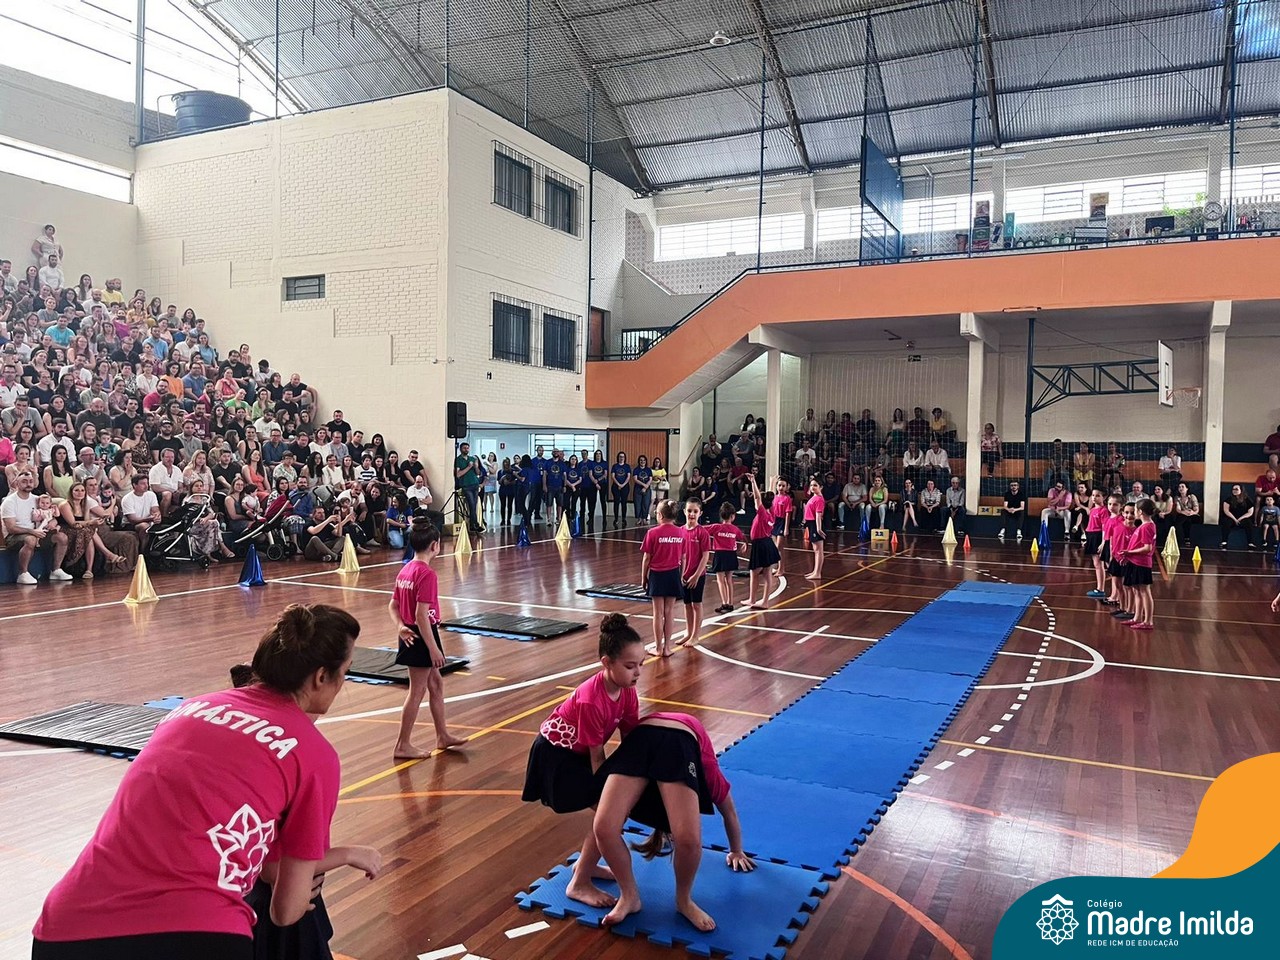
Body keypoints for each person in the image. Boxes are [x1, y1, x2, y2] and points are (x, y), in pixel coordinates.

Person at [32, 604, 381, 958]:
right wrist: (345, 855)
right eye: (345, 672)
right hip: (190, 932)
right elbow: (286, 911)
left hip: (66, 926)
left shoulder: (188, 709)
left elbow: (261, 860)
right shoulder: (313, 755)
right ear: (321, 677)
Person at [521, 613, 643, 908]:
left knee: (611, 814)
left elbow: (631, 742)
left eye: (641, 664)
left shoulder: (627, 693)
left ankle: (584, 865)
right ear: (607, 663)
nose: (637, 672)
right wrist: (612, 795)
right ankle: (579, 883)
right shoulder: (591, 699)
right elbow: (597, 756)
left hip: (578, 754)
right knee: (609, 815)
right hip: (557, 755)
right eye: (630, 666)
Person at [593, 713, 754, 931]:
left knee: (688, 840)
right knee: (604, 828)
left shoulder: (701, 770)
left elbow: (727, 814)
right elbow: (729, 812)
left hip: (678, 740)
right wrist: (735, 850)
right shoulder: (704, 771)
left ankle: (683, 900)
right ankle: (629, 896)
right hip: (643, 735)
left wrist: (737, 851)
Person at [388, 521, 466, 759]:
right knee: (417, 691)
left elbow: (393, 605)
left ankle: (442, 735)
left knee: (436, 685)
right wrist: (433, 649)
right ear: (435, 545)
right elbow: (421, 615)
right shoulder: (426, 574)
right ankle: (402, 744)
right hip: (421, 635)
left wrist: (400, 626)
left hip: (413, 632)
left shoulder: (406, 570)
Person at [3, 470, 72, 583]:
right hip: (14, 536)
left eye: (30, 481)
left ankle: (56, 570)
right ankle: (23, 573)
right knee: (31, 539)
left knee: (62, 537)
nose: (28, 484)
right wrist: (32, 531)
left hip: (38, 533)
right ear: (17, 483)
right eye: (24, 481)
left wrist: (53, 522)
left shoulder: (37, 499)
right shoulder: (9, 501)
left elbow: (49, 515)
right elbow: (11, 528)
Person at [641, 500, 685, 658]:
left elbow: (647, 558)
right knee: (669, 611)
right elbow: (683, 557)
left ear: (660, 515)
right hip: (673, 574)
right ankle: (667, 648)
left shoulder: (652, 533)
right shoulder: (681, 532)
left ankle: (658, 648)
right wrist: (681, 575)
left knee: (658, 613)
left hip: (657, 575)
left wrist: (643, 577)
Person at [674, 498, 711, 650]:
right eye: (689, 511)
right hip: (684, 575)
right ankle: (688, 633)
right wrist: (680, 574)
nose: (692, 514)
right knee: (687, 604)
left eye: (695, 511)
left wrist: (696, 575)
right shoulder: (679, 531)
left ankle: (696, 636)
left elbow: (705, 556)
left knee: (696, 604)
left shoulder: (702, 533)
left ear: (700, 513)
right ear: (684, 512)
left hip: (697, 575)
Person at [1119, 499, 1156, 631]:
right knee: (1137, 591)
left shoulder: (1147, 527)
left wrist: (1129, 552)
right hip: (1135, 561)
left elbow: (1147, 548)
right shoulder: (1145, 525)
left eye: (1135, 510)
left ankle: (1148, 621)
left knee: (1144, 591)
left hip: (1142, 563)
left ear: (1140, 512)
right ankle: (1137, 617)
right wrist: (1128, 556)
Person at [745, 473, 780, 609]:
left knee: (754, 573)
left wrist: (753, 482)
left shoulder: (762, 514)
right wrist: (772, 483)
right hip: (768, 543)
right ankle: (764, 601)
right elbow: (770, 497)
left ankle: (752, 599)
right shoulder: (772, 512)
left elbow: (757, 497)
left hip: (760, 545)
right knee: (767, 573)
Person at [708, 501, 746, 614]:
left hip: (720, 555)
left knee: (720, 580)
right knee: (729, 580)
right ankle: (730, 603)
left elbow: (702, 529)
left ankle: (724, 603)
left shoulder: (716, 527)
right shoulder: (735, 529)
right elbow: (743, 537)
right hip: (731, 555)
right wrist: (745, 544)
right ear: (732, 516)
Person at [1105, 501, 1136, 620]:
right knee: (1118, 585)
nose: (1129, 515)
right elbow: (1113, 541)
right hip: (1116, 559)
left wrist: (1127, 557)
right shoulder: (1117, 526)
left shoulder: (1136, 530)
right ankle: (1122, 607)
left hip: (1128, 561)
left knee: (1128, 586)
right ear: (1122, 513)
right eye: (1127, 512)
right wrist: (1112, 556)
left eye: (1132, 513)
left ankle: (1130, 610)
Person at [1082, 490, 1109, 600]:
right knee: (1096, 564)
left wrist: (1103, 542)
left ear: (1104, 497)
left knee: (1100, 564)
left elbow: (1104, 527)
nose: (1094, 497)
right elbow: (1090, 525)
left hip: (1098, 536)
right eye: (1093, 495)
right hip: (1092, 536)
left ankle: (1101, 588)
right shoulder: (1092, 510)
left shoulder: (1104, 511)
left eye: (1097, 495)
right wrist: (1087, 539)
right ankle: (1099, 588)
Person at [453, 441, 483, 535]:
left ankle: (473, 525)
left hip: (475, 483)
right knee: (471, 505)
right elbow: (458, 474)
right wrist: (469, 467)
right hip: (466, 485)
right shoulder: (458, 460)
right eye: (464, 448)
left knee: (474, 505)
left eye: (467, 448)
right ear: (460, 449)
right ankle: (475, 525)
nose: (466, 450)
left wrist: (476, 467)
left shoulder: (472, 459)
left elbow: (478, 473)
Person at [803, 477, 826, 581]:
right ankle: (815, 571)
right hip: (811, 524)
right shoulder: (814, 497)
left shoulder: (819, 499)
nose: (812, 487)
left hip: (815, 524)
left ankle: (817, 573)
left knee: (818, 550)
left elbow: (818, 515)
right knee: (815, 550)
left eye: (815, 485)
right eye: (811, 485)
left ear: (821, 487)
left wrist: (819, 529)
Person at [1220, 484, 1255, 549]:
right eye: (1233, 489)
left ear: (1241, 490)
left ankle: (1250, 543)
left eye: (1236, 489)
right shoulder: (1228, 499)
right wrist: (1235, 519)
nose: (1234, 491)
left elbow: (1250, 512)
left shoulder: (1247, 500)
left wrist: (1240, 518)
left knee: (1249, 523)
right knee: (1226, 522)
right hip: (1231, 517)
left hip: (1243, 518)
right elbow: (1226, 510)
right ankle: (1224, 542)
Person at [771, 478, 793, 576]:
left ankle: (781, 568)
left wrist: (786, 528)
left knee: (779, 546)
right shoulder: (774, 497)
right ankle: (777, 567)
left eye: (783, 486)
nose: (781, 488)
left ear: (787, 487)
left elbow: (788, 514)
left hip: (782, 522)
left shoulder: (787, 498)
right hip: (774, 522)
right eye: (779, 485)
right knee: (775, 547)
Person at [1171, 482, 1200, 548]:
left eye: (1182, 486)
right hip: (1182, 514)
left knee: (1187, 519)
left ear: (1187, 488)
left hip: (1193, 514)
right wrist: (1184, 512)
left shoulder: (1192, 496)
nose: (1180, 488)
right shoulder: (1177, 498)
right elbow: (1178, 509)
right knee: (1184, 519)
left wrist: (1191, 513)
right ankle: (1185, 538)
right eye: (1179, 487)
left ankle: (1184, 538)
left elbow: (1196, 509)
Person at [610, 452, 632, 528]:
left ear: (624, 458)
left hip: (625, 487)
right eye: (620, 456)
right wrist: (618, 484)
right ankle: (616, 519)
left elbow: (628, 477)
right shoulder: (615, 466)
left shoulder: (627, 466)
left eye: (623, 457)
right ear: (618, 457)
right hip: (615, 487)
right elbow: (613, 476)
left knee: (624, 503)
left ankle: (623, 519)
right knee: (616, 503)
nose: (621, 458)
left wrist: (623, 485)